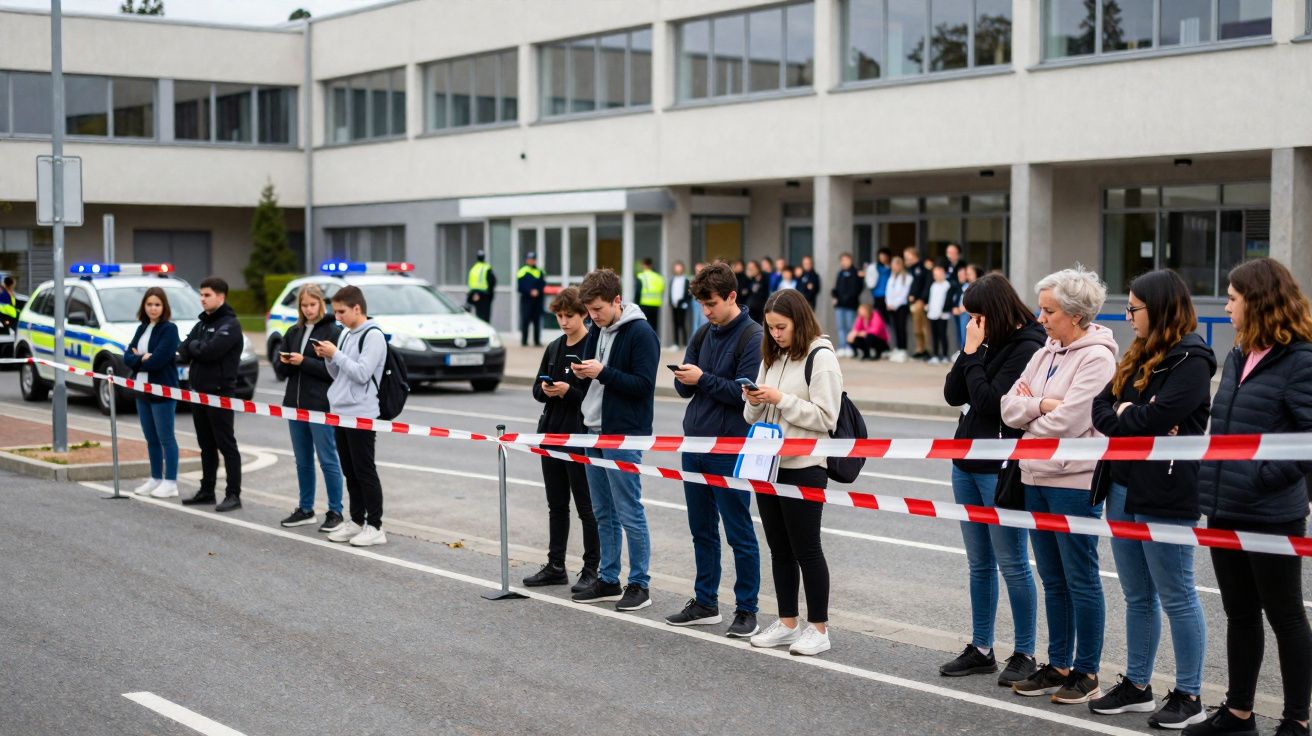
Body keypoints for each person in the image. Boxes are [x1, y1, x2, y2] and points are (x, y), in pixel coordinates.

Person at [1189, 258, 1312, 736]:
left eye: (1233, 298)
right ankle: (1239, 714)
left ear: (1258, 302)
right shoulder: (1239, 353)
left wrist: (1262, 476)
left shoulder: (1301, 360)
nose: (1226, 305)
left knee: (1285, 616)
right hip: (1225, 507)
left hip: (1270, 511)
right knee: (1239, 614)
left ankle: (1296, 721)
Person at [1089, 270, 1215, 730]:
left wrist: (1134, 415)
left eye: (1134, 308)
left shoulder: (1192, 359)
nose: (1127, 316)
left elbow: (1159, 416)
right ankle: (1138, 685)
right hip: (1121, 485)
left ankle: (1190, 694)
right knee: (1137, 593)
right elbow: (1101, 410)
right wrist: (1132, 415)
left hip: (1166, 490)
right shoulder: (1136, 353)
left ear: (1159, 308)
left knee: (1177, 593)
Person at [1000, 266, 1117, 705]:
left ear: (1076, 314)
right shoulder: (1045, 350)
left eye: (1049, 311)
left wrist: (1033, 410)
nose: (1041, 318)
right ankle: (1059, 663)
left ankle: (1086, 671)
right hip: (1034, 475)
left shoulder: (1098, 357)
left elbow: (1071, 421)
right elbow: (1007, 405)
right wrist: (1040, 407)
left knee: (1080, 578)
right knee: (1052, 578)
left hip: (1071, 480)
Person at [940, 273, 1045, 685]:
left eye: (976, 316)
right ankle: (981, 647)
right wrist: (969, 353)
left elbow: (990, 404)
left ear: (994, 313)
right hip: (964, 462)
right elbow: (953, 394)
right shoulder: (982, 343)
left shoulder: (1027, 347)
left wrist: (973, 357)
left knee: (1012, 563)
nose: (972, 323)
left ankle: (1025, 652)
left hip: (1000, 467)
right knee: (978, 563)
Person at [666, 262, 764, 637]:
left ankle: (747, 609)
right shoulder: (703, 333)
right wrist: (685, 380)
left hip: (729, 447)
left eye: (712, 304)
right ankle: (705, 601)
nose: (706, 312)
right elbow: (685, 391)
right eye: (702, 306)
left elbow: (745, 395)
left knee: (739, 531)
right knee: (701, 529)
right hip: (695, 443)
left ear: (732, 297)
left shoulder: (752, 337)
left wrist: (702, 379)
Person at [744, 288, 842, 657]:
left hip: (804, 465)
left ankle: (819, 628)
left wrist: (780, 400)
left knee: (807, 550)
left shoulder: (821, 356)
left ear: (798, 321)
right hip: (768, 465)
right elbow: (751, 417)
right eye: (770, 328)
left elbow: (825, 417)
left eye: (781, 327)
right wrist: (753, 401)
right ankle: (787, 623)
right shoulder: (773, 355)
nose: (775, 334)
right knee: (779, 549)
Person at [569, 269, 660, 612]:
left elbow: (643, 384)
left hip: (623, 433)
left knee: (629, 510)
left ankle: (640, 584)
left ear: (617, 301)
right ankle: (608, 578)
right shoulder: (597, 329)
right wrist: (579, 376)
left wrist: (602, 372)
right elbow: (594, 382)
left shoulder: (641, 333)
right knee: (602, 511)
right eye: (590, 310)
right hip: (593, 428)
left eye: (599, 309)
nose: (593, 317)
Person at [526, 287, 600, 592]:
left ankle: (591, 569)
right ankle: (556, 565)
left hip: (579, 435)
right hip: (551, 433)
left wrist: (569, 391)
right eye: (559, 316)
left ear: (583, 313)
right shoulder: (554, 346)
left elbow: (594, 397)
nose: (564, 321)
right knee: (556, 505)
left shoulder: (592, 346)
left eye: (569, 315)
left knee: (587, 506)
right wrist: (544, 389)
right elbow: (534, 389)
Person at [316, 285, 388, 547]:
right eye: (335, 311)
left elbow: (361, 373)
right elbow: (340, 375)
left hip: (361, 413)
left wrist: (337, 354)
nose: (337, 317)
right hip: (340, 410)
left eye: (341, 311)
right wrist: (329, 358)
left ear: (357, 308)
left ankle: (376, 526)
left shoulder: (373, 335)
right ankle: (357, 521)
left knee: (364, 469)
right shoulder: (346, 333)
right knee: (350, 470)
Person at [274, 284, 345, 533]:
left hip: (321, 405)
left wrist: (304, 362)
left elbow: (333, 372)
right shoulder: (294, 330)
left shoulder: (333, 332)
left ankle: (336, 511)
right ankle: (305, 509)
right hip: (294, 404)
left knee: (328, 459)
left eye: (312, 304)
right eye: (304, 305)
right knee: (302, 460)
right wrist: (285, 362)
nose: (308, 309)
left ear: (321, 304)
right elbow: (280, 372)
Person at [178, 277, 244, 512]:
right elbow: (183, 351)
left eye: (207, 295)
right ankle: (207, 491)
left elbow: (210, 352)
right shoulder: (203, 323)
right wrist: (196, 347)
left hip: (219, 393)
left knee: (226, 444)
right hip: (198, 393)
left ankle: (233, 494)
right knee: (206, 445)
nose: (202, 299)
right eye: (201, 294)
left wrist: (195, 347)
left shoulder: (231, 324)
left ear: (221, 297)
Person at [123, 286, 182, 500]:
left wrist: (142, 358)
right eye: (149, 304)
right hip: (142, 390)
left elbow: (159, 360)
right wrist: (141, 358)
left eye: (157, 304)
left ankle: (171, 482)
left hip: (162, 390)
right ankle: (156, 478)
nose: (153, 308)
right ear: (144, 307)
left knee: (166, 437)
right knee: (151, 438)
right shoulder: (142, 328)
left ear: (164, 306)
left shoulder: (169, 329)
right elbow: (126, 356)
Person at [832, 253, 862, 358]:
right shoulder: (840, 273)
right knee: (841, 327)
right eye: (842, 260)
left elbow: (856, 289)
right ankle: (842, 346)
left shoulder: (856, 273)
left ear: (850, 260)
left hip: (850, 305)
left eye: (846, 260)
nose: (844, 262)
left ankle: (850, 347)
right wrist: (834, 296)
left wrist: (846, 299)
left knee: (850, 327)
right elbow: (836, 288)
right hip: (840, 305)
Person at [905, 247, 932, 360]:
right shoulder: (910, 269)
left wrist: (922, 299)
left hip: (920, 302)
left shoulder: (923, 267)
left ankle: (927, 350)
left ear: (914, 255)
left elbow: (927, 284)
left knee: (923, 328)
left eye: (908, 255)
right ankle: (919, 349)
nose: (906, 258)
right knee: (916, 328)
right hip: (912, 302)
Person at [884, 256, 913, 359]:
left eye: (895, 265)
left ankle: (903, 349)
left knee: (901, 328)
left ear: (900, 265)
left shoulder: (907, 277)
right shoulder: (892, 277)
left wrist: (895, 304)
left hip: (901, 306)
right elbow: (888, 291)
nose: (894, 267)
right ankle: (897, 348)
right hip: (891, 307)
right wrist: (888, 303)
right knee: (895, 328)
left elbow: (904, 294)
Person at [517, 251, 546, 348]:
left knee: (537, 321)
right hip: (526, 301)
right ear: (526, 260)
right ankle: (524, 341)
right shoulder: (522, 271)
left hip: (537, 301)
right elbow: (520, 287)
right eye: (529, 259)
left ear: (535, 260)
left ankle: (537, 341)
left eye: (532, 259)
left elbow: (542, 285)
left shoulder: (540, 271)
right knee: (525, 321)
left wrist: (538, 291)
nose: (531, 261)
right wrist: (530, 291)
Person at [927, 265, 953, 364]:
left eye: (938, 274)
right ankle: (935, 355)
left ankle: (945, 355)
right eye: (935, 275)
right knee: (934, 336)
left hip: (943, 315)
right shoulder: (933, 285)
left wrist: (943, 310)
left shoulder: (947, 285)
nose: (936, 276)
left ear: (943, 274)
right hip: (933, 314)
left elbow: (946, 300)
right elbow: (931, 300)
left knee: (943, 335)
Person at [952, 265, 977, 355]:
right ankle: (963, 350)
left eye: (969, 273)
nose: (967, 275)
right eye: (967, 273)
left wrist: (964, 308)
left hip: (970, 313)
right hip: (962, 313)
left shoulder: (978, 286)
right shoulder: (965, 286)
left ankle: (966, 351)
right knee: (962, 332)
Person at [466, 250, 496, 323]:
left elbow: (470, 283)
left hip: (474, 295)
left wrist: (471, 296)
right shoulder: (487, 268)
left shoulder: (473, 268)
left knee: (479, 316)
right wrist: (491, 296)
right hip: (484, 296)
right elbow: (492, 281)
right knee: (485, 318)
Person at [636, 258, 665, 333]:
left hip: (644, 303)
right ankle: (654, 340)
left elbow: (638, 291)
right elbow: (662, 289)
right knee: (654, 325)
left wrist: (636, 304)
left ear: (644, 265)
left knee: (644, 324)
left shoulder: (641, 276)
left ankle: (646, 341)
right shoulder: (658, 277)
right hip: (656, 304)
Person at [669, 260, 691, 348]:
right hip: (674, 305)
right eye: (676, 268)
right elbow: (671, 292)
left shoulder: (685, 280)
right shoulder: (672, 280)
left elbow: (688, 293)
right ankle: (676, 343)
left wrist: (683, 301)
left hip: (682, 305)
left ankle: (685, 343)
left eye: (679, 268)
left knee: (682, 323)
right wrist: (671, 302)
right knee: (675, 324)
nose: (678, 269)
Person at [868, 248, 892, 325]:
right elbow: (870, 280)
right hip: (877, 295)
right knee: (878, 317)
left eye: (884, 256)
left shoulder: (891, 268)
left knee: (887, 318)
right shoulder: (874, 267)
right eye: (881, 256)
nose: (882, 258)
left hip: (889, 296)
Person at [743, 259, 768, 324]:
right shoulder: (749, 279)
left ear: (757, 268)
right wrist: (748, 278)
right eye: (749, 268)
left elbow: (765, 292)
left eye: (752, 268)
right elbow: (744, 292)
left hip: (761, 307)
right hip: (750, 308)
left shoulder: (765, 276)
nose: (750, 270)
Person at [691, 262, 710, 334]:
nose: (697, 271)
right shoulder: (693, 279)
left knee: (704, 320)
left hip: (703, 301)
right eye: (696, 269)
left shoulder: (706, 280)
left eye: (699, 269)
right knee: (695, 320)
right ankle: (695, 338)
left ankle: (703, 337)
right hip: (695, 302)